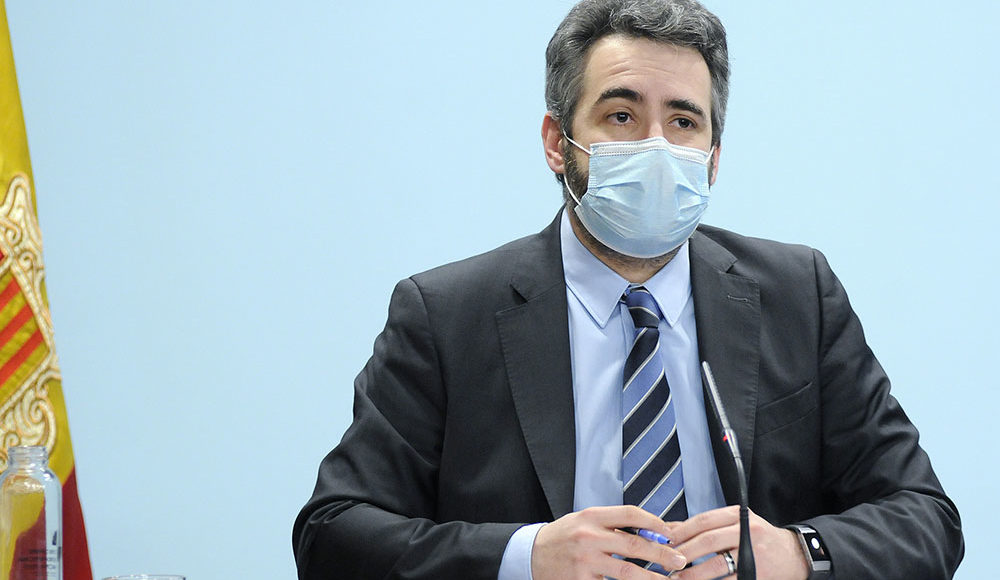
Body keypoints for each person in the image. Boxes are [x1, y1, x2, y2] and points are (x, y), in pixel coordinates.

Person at [292, 0, 964, 578]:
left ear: (713, 160)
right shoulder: (445, 316)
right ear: (557, 142)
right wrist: (528, 558)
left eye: (684, 122)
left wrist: (796, 552)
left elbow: (926, 519)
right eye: (620, 116)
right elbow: (333, 533)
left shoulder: (799, 297)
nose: (656, 148)